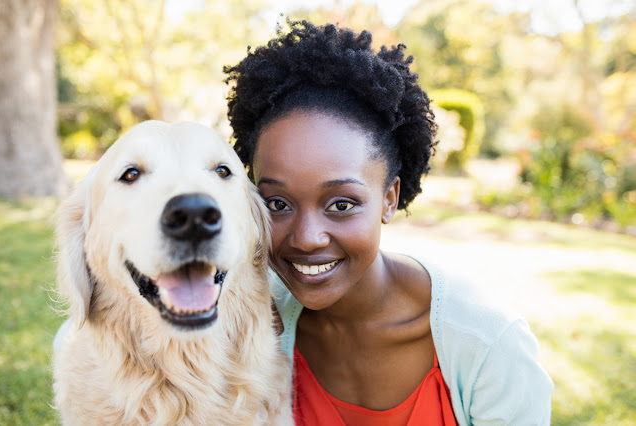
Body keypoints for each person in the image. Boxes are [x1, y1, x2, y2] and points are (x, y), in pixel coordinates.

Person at [224, 21, 553, 426]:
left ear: (388, 198)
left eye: (341, 204)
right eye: (277, 203)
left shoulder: (488, 345)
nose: (307, 238)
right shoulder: (254, 321)